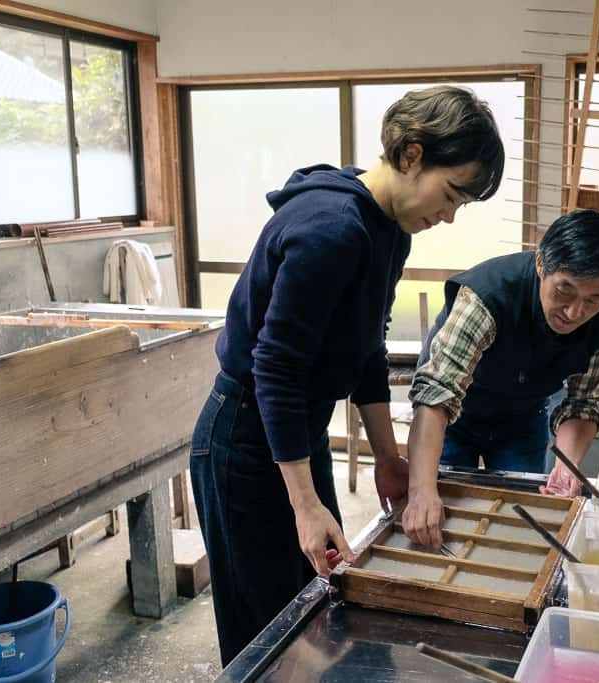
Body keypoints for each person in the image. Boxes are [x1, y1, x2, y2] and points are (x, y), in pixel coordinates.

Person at [189, 85, 504, 665]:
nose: (450, 215)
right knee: (271, 631)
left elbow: (367, 349)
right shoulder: (332, 229)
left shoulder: (391, 230)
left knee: (322, 606)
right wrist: (305, 506)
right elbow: (275, 371)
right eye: (452, 193)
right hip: (245, 440)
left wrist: (388, 456)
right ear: (412, 154)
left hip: (293, 437)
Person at [401, 209, 599, 548]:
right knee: (438, 519)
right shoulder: (487, 297)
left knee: (520, 523)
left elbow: (584, 402)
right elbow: (437, 393)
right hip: (450, 419)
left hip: (522, 417)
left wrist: (567, 468)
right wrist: (420, 490)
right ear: (541, 264)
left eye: (594, 299)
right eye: (564, 291)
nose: (574, 312)